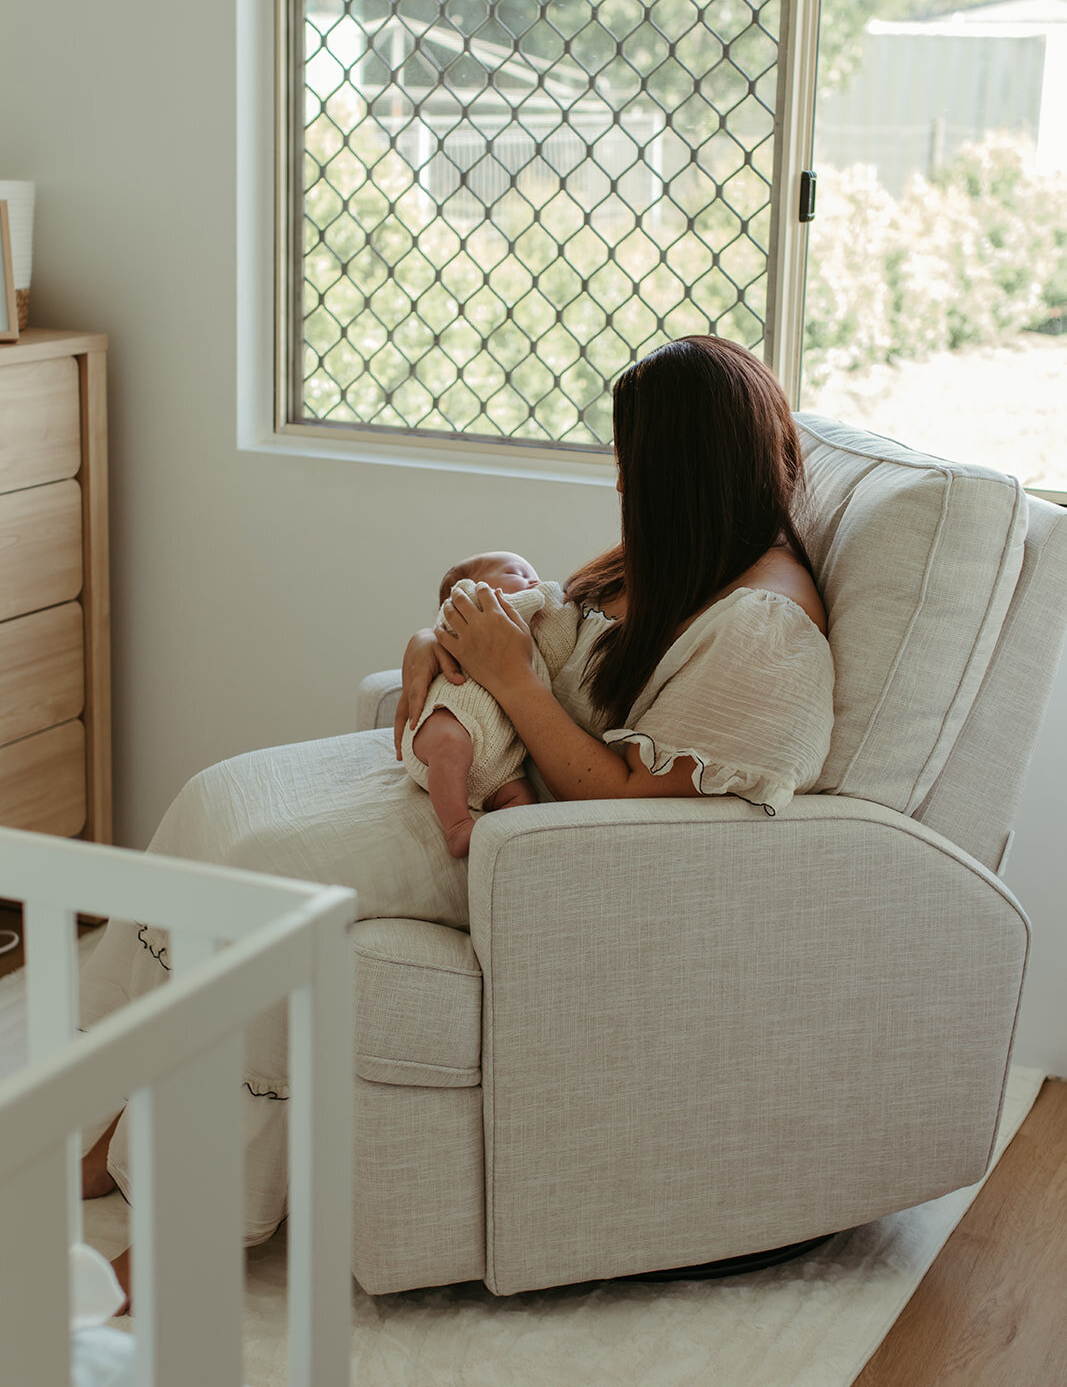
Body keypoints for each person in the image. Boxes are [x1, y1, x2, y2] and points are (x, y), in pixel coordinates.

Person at [79, 334, 835, 1304]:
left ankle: (191, 1221)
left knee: (265, 877)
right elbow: (550, 631)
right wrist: (442, 646)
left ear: (679, 469)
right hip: (505, 781)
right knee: (214, 797)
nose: (615, 478)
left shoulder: (764, 634)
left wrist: (510, 680)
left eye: (628, 460)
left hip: (542, 846)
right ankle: (127, 1108)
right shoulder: (683, 558)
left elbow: (626, 811)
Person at [401, 551, 580, 858]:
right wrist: (546, 593)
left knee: (522, 795)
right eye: (517, 573)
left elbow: (563, 647)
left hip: (499, 763)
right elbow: (495, 607)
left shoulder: (531, 641)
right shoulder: (467, 610)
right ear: (473, 585)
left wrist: (562, 614)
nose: (532, 580)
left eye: (533, 575)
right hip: (447, 723)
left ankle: (503, 848)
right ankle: (457, 825)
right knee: (452, 743)